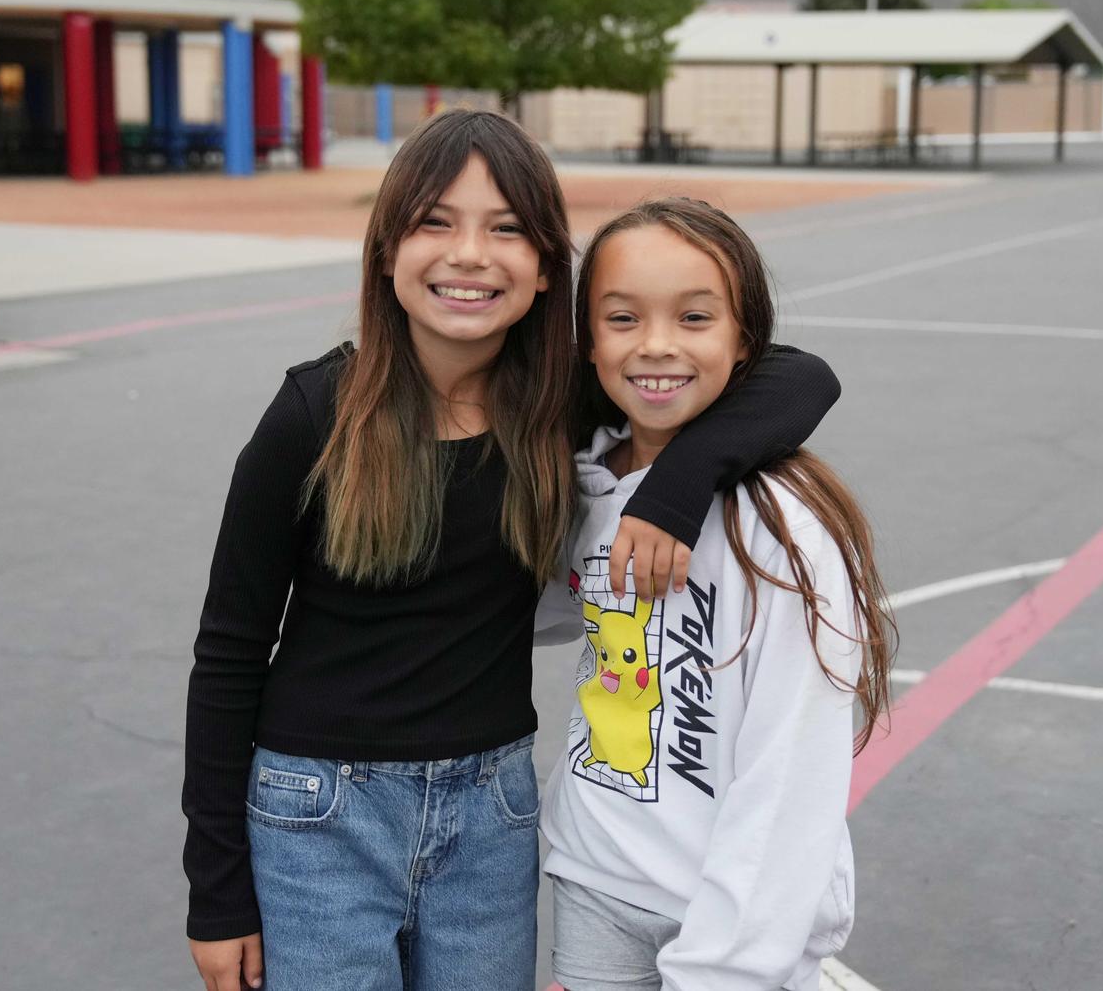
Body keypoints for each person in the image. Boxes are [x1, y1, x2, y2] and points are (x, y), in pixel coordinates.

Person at [182, 112, 842, 991]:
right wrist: (217, 892)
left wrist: (678, 490)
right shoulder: (314, 415)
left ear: (544, 269)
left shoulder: (556, 406)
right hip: (319, 816)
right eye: (435, 222)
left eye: (505, 229)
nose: (469, 255)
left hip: (489, 817)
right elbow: (229, 653)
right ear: (386, 249)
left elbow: (799, 374)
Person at [538, 197, 895, 991]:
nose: (657, 344)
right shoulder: (581, 486)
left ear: (745, 342)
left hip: (728, 910)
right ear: (587, 342)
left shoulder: (783, 528)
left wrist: (729, 966)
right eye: (623, 318)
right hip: (596, 882)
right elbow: (537, 610)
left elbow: (789, 773)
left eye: (695, 317)